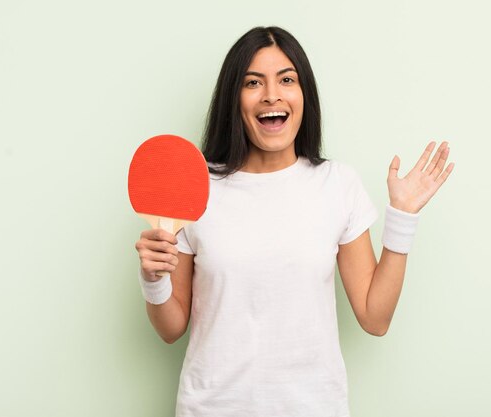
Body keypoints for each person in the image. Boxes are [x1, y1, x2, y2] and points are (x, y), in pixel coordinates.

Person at [134, 26, 454, 417]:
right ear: (233, 99)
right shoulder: (196, 187)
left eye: (287, 79)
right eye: (253, 82)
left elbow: (375, 317)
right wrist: (153, 280)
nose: (272, 94)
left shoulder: (337, 184)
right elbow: (170, 329)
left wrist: (402, 217)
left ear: (304, 96)